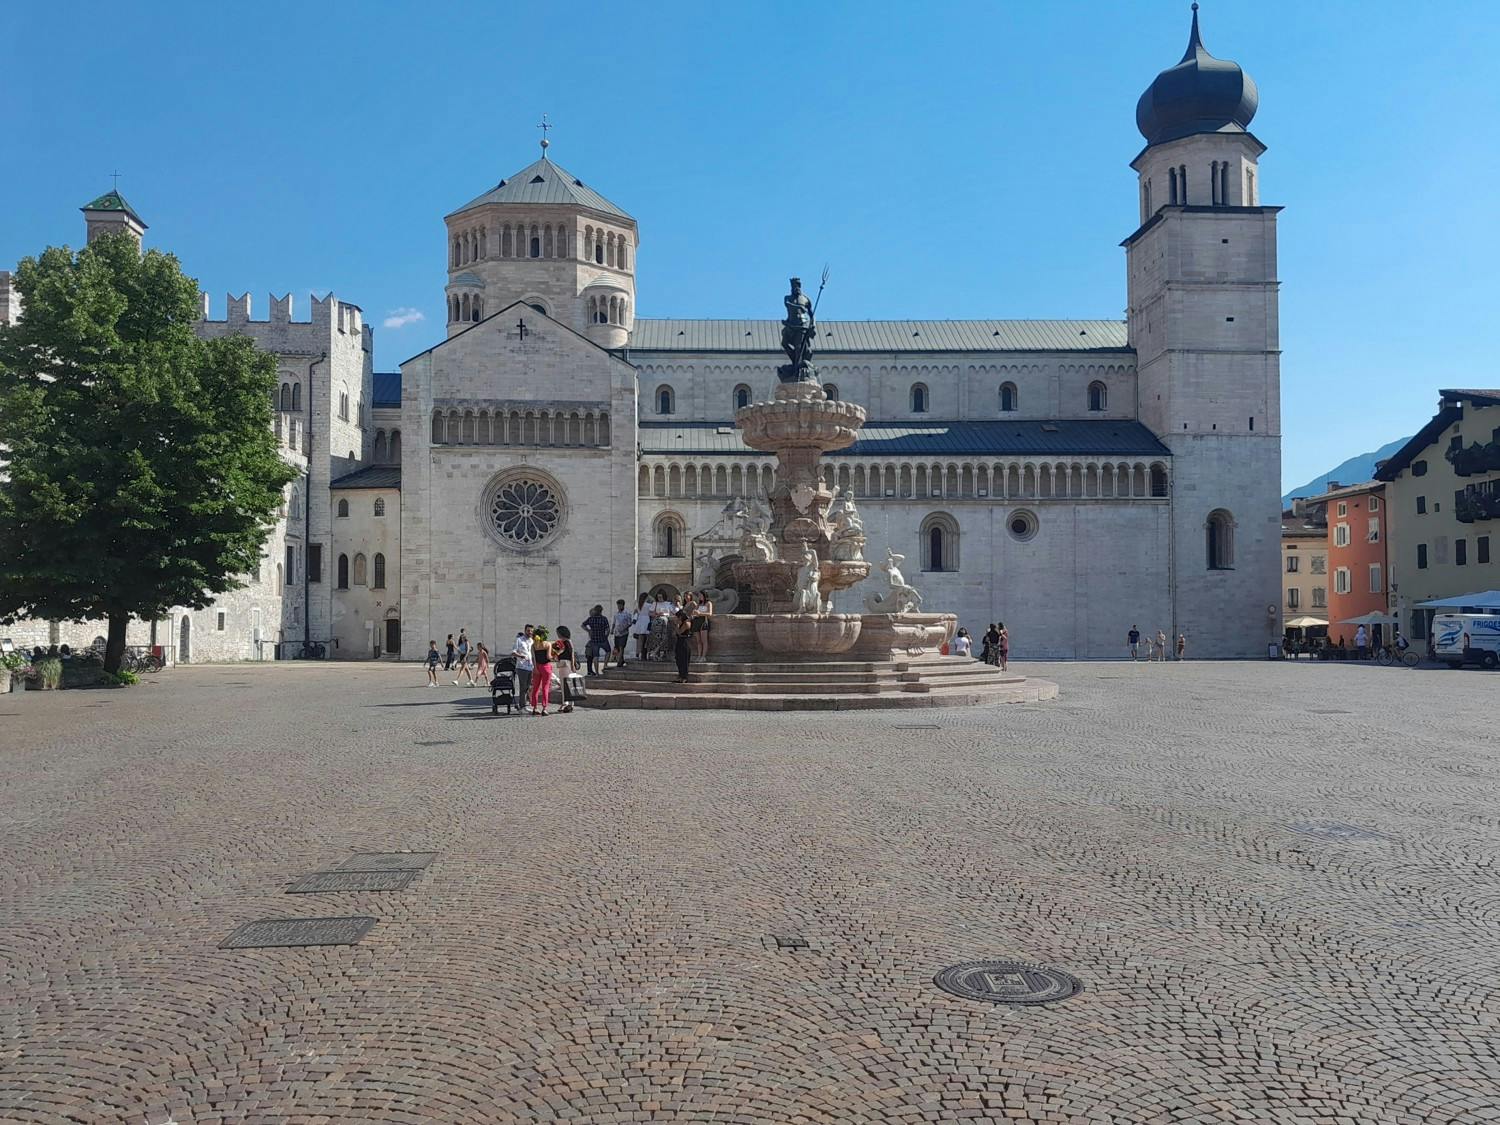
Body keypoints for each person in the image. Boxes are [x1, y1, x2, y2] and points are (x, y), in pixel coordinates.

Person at [529, 628, 554, 715]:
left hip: (537, 667)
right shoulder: (547, 644)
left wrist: (535, 668)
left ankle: (535, 707)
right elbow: (548, 657)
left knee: (535, 688)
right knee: (545, 688)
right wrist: (555, 656)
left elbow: (533, 658)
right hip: (546, 667)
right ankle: (544, 708)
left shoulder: (533, 645)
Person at [582, 604, 611, 676]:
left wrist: (588, 630)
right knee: (608, 651)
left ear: (595, 611)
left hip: (594, 640)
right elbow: (608, 629)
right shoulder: (604, 618)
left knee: (596, 656)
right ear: (601, 611)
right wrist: (606, 636)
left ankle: (597, 673)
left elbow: (582, 625)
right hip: (603, 639)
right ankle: (605, 665)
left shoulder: (591, 619)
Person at [554, 626, 578, 713]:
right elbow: (556, 655)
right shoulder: (559, 643)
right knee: (564, 684)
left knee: (568, 684)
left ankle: (569, 704)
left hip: (567, 663)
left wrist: (572, 665)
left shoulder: (568, 641)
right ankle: (566, 703)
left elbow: (571, 653)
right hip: (562, 664)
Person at [511, 625, 534, 712]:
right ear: (525, 631)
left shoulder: (532, 641)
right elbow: (513, 652)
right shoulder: (519, 640)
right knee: (523, 687)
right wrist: (520, 656)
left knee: (528, 687)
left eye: (531, 631)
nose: (530, 632)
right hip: (522, 666)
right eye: (528, 631)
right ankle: (522, 706)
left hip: (531, 666)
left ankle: (525, 704)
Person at [611, 598, 633, 668]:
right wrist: (612, 630)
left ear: (623, 605)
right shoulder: (616, 614)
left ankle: (619, 662)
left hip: (624, 633)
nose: (619, 607)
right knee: (617, 648)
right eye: (618, 606)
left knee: (621, 647)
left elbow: (630, 623)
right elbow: (614, 623)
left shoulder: (627, 613)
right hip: (617, 633)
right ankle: (621, 659)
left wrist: (624, 628)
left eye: (620, 605)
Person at [673, 608, 694, 682]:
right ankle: (680, 675)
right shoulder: (680, 623)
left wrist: (677, 624)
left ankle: (684, 677)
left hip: (685, 642)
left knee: (684, 660)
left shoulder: (686, 623)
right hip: (679, 641)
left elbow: (680, 632)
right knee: (678, 659)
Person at [693, 590, 714, 661]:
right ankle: (699, 656)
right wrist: (694, 613)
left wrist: (700, 613)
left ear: (704, 596)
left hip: (704, 621)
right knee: (698, 640)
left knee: (704, 640)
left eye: (701, 595)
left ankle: (703, 656)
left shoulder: (708, 603)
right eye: (699, 596)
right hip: (697, 621)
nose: (699, 597)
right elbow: (694, 612)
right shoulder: (699, 604)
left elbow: (710, 613)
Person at [631, 593, 652, 660]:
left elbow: (635, 613)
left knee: (641, 639)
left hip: (640, 621)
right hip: (646, 620)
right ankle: (645, 653)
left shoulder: (638, 605)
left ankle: (640, 653)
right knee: (646, 639)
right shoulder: (648, 605)